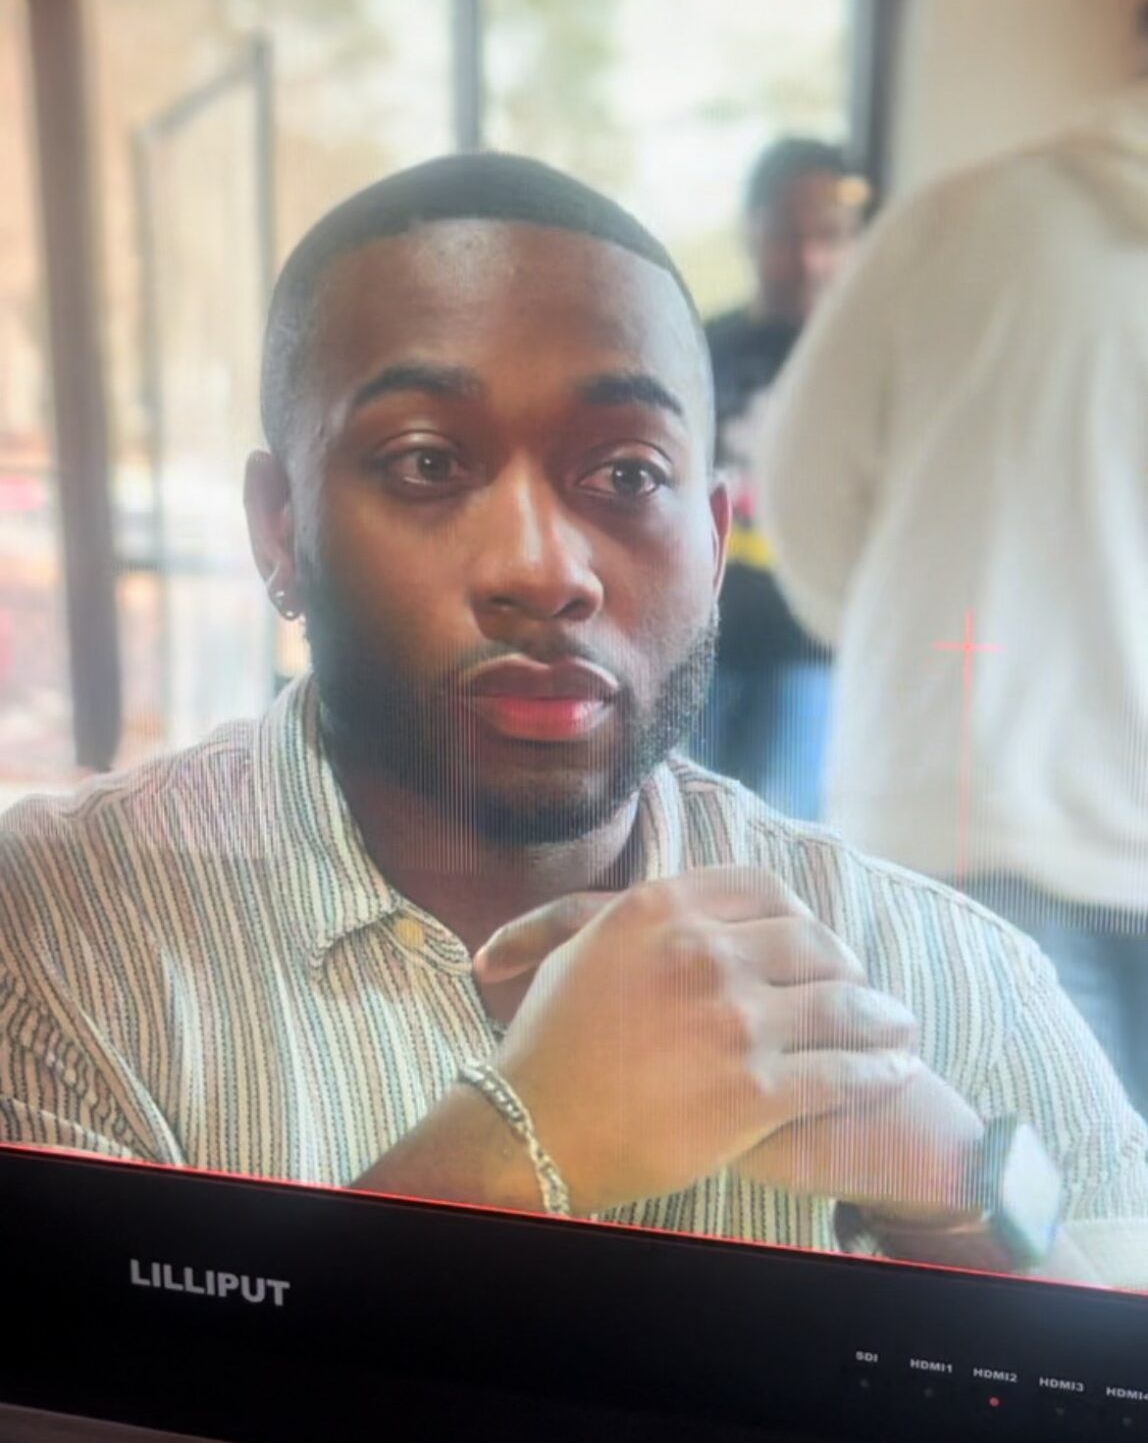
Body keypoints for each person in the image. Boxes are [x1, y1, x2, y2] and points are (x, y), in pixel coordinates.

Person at [1, 152, 1146, 1287]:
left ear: (712, 541)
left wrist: (958, 1195)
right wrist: (508, 1154)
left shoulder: (953, 978)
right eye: (426, 461)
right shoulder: (53, 943)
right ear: (278, 526)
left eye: (626, 475)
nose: (543, 570)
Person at [751, 86, 1148, 1116]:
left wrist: (899, 638)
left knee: (1016, 1212)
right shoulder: (956, 220)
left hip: (964, 801)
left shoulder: (960, 221)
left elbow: (801, 493)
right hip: (978, 839)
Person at [698, 140, 859, 817]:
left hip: (808, 653)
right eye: (790, 235)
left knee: (782, 843)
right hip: (695, 646)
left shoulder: (862, 364)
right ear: (753, 229)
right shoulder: (699, 347)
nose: (810, 259)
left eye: (831, 236)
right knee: (669, 832)